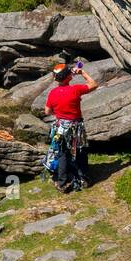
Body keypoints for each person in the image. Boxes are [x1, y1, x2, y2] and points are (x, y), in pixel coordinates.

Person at [44, 57, 98, 193]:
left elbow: (47, 111)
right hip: (76, 127)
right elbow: (93, 84)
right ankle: (84, 179)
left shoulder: (53, 93)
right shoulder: (75, 90)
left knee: (62, 154)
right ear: (69, 76)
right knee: (80, 151)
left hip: (61, 127)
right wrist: (82, 73)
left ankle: (62, 183)